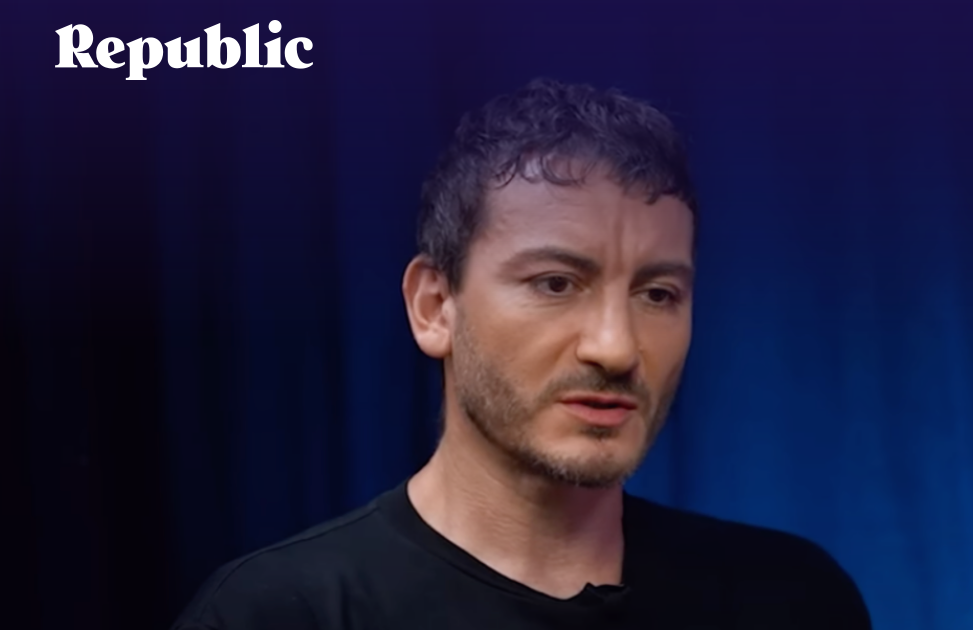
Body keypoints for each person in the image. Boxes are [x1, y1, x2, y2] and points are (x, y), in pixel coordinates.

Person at [172, 78, 872, 629]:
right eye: (555, 283)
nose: (615, 348)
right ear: (434, 307)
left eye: (657, 294)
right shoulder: (279, 614)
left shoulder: (791, 599)